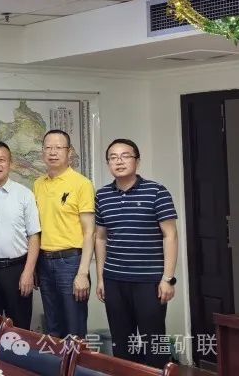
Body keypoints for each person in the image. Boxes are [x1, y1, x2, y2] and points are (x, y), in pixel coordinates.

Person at [95, 139, 178, 368]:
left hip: (149, 281)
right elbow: (100, 238)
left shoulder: (157, 191)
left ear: (137, 161)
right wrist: (101, 278)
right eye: (113, 157)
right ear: (108, 163)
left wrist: (168, 278)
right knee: (122, 343)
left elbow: (170, 235)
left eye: (125, 156)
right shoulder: (102, 195)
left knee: (154, 341)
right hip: (114, 280)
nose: (119, 161)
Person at [33, 129, 95, 339]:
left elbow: (90, 232)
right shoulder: (38, 184)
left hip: (71, 262)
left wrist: (83, 273)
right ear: (42, 152)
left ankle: (76, 362)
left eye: (59, 147)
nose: (53, 152)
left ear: (69, 152)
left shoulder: (82, 184)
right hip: (44, 262)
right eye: (48, 147)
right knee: (53, 329)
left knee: (74, 330)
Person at [0, 141, 41, 330]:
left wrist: (28, 272)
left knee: (19, 330)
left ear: (10, 164)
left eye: (2, 160)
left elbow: (34, 236)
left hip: (17, 270)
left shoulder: (24, 194)